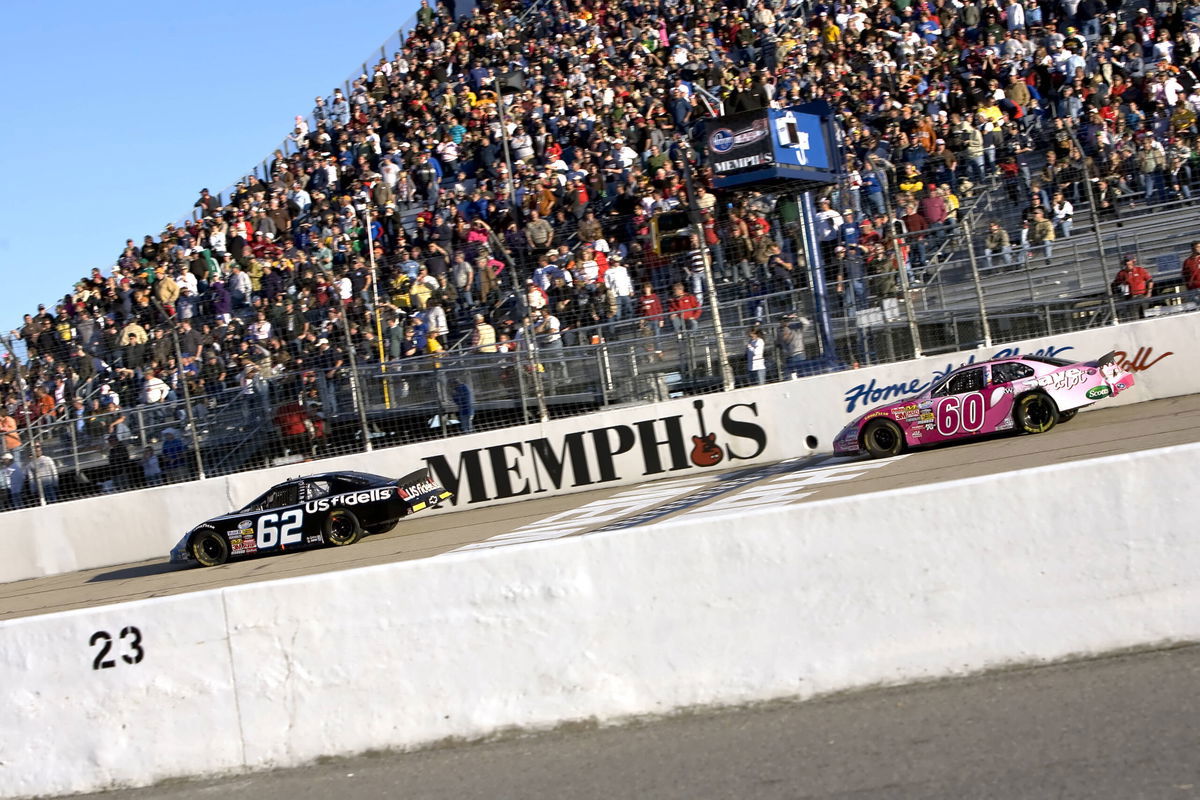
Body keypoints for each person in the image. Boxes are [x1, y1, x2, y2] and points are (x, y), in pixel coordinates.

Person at [776, 314, 813, 378]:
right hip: (788, 357)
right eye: (782, 320)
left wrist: (797, 317)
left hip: (798, 354)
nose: (784, 322)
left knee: (802, 374)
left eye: (786, 320)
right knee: (791, 376)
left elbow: (806, 323)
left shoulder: (796, 327)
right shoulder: (779, 330)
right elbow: (779, 342)